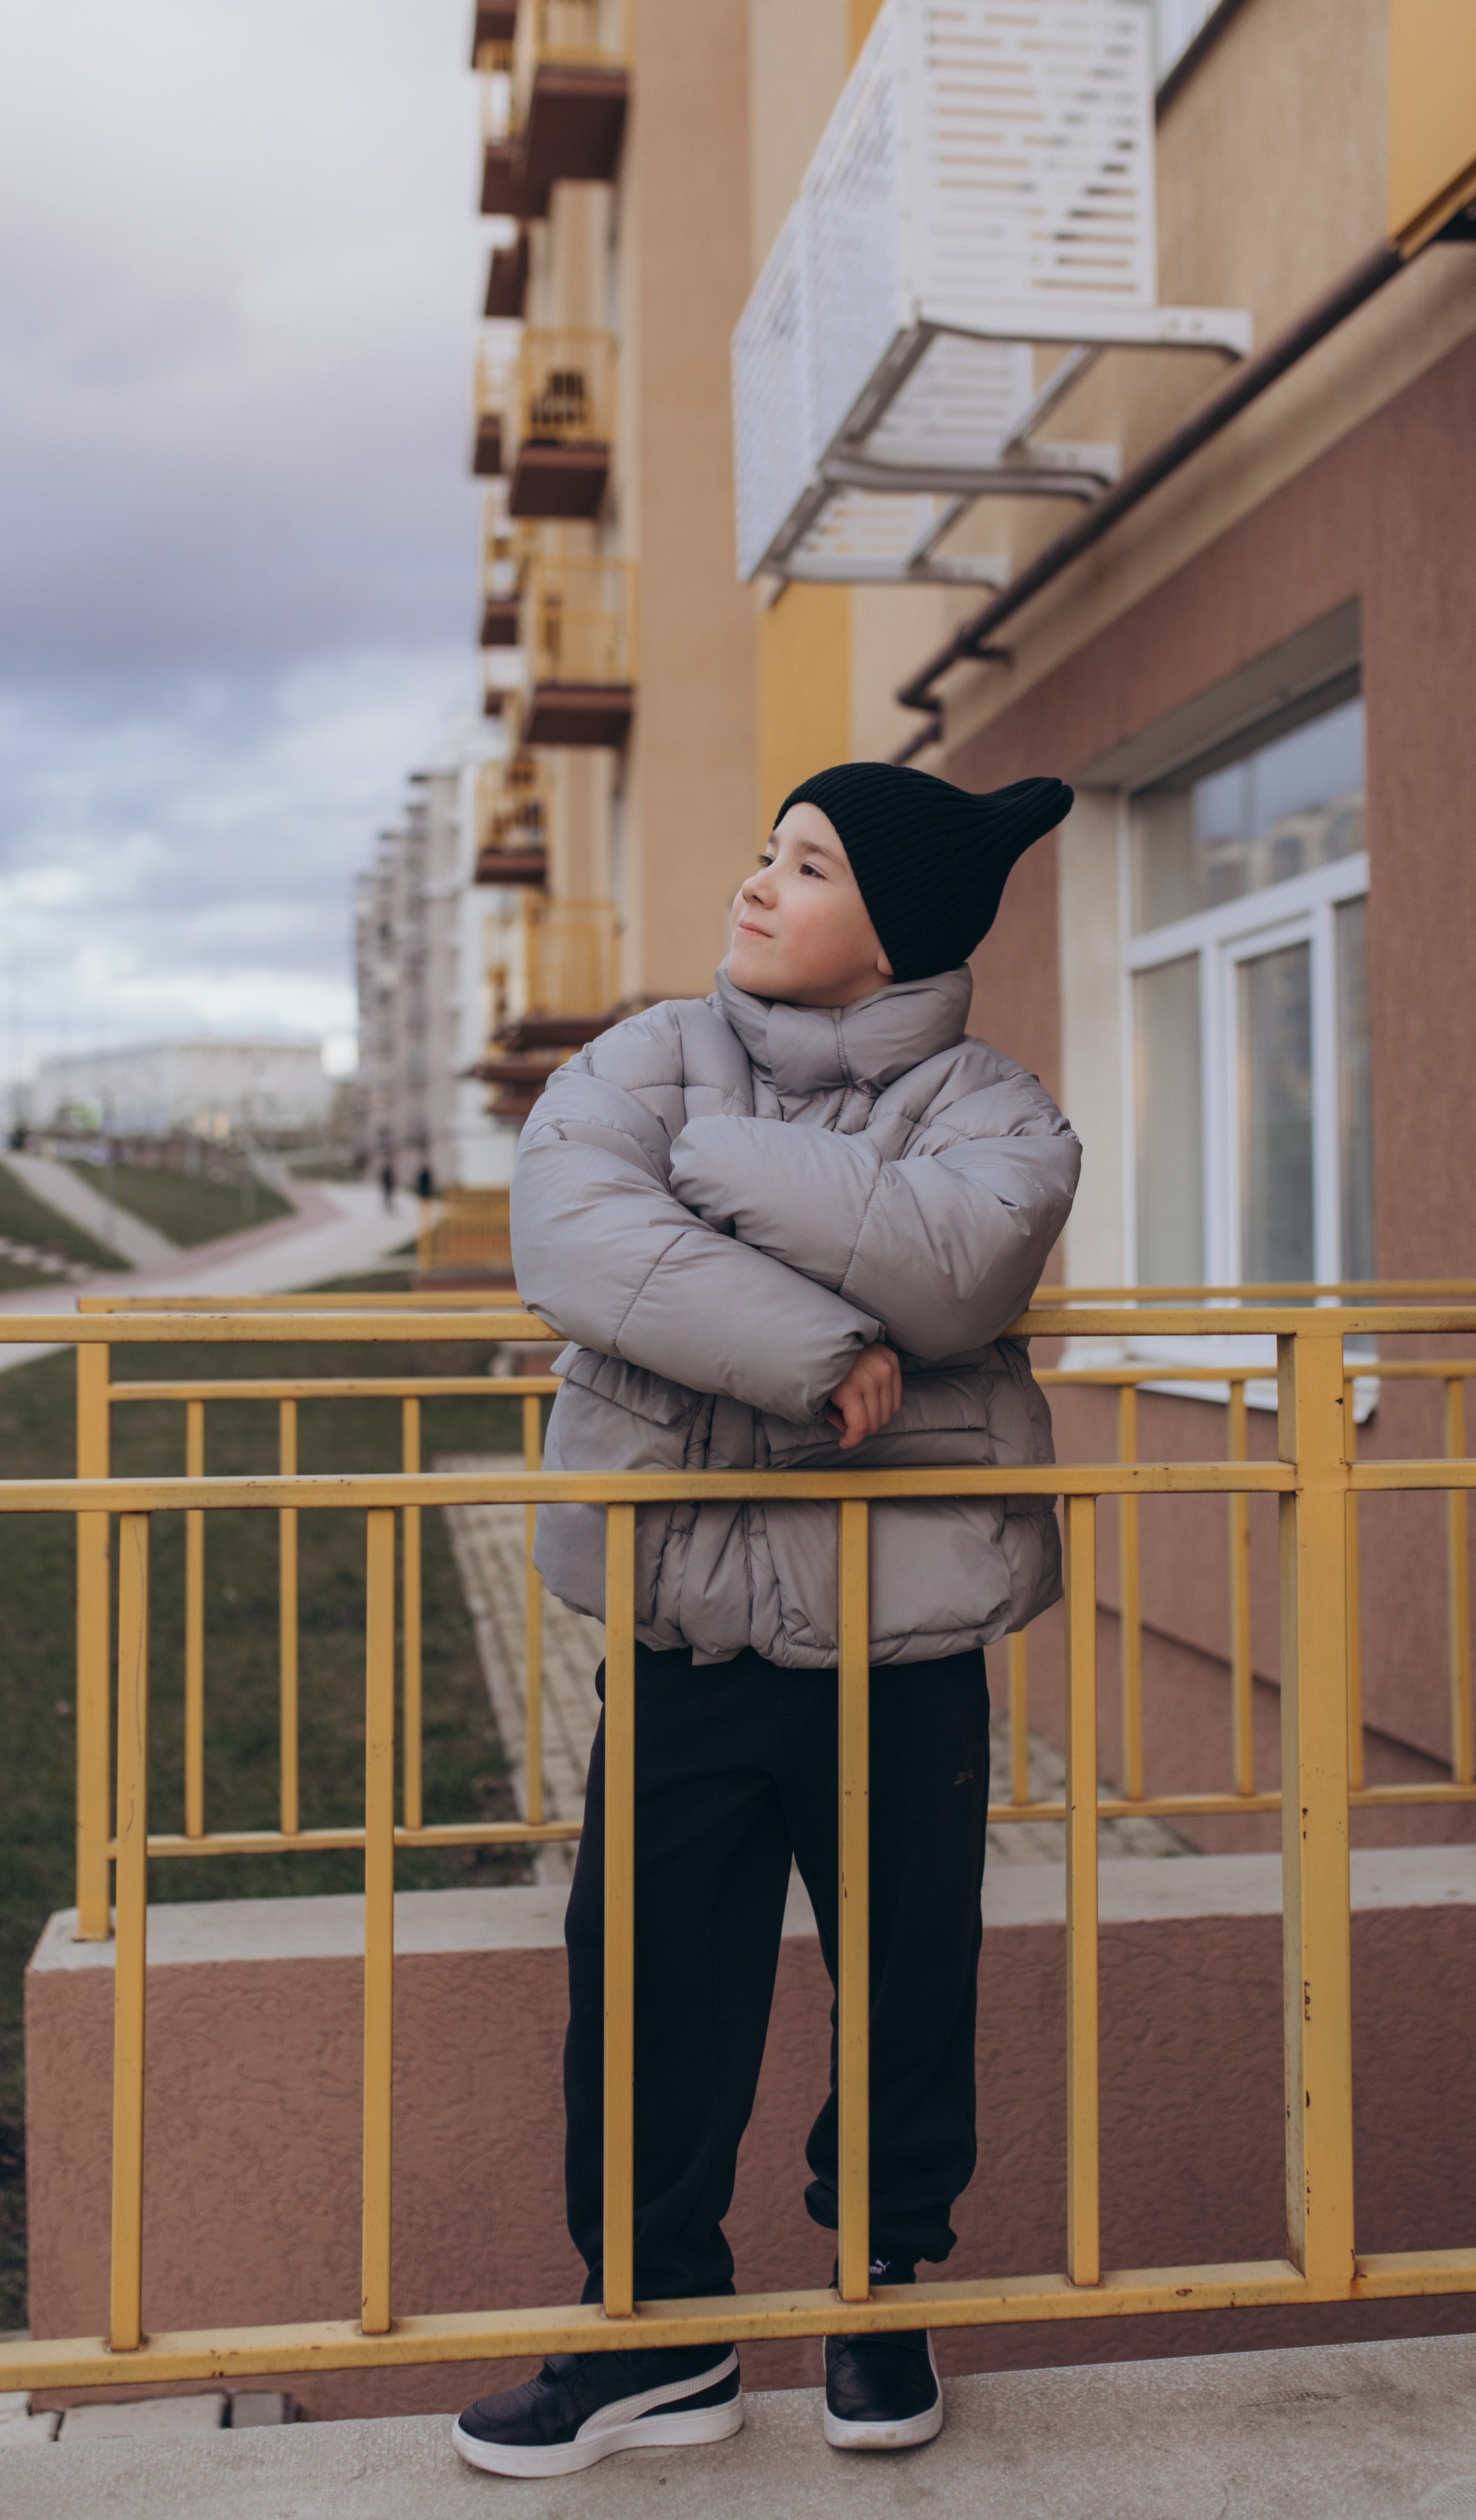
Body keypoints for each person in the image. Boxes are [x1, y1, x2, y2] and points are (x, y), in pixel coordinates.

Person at [453, 763, 1081, 2479]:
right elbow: (571, 1228)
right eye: (765, 851)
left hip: (904, 1644)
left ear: (897, 930)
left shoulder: (994, 1104)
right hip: (687, 1633)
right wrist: (818, 1347)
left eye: (805, 866)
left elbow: (960, 1269)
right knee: (647, 1986)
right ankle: (657, 2335)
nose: (756, 885)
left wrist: (713, 1170)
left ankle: (881, 2305)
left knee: (905, 1985)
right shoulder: (643, 1052)